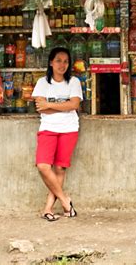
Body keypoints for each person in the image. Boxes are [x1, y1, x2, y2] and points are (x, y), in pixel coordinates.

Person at [31, 47, 83, 221]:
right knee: (43, 166)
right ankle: (65, 201)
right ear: (51, 62)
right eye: (58, 60)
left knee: (60, 167)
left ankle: (48, 208)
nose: (62, 65)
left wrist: (50, 106)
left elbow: (74, 105)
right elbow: (40, 108)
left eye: (66, 61)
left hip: (69, 129)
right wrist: (63, 106)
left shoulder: (74, 82)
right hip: (48, 128)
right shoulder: (42, 83)